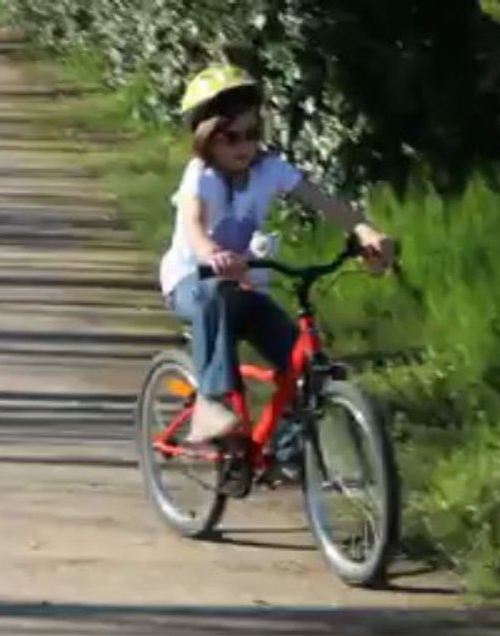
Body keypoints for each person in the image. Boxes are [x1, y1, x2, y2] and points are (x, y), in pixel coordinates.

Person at [160, 63, 394, 444]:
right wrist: (211, 253)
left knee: (310, 370)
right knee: (214, 294)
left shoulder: (268, 169)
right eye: (229, 137)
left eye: (251, 135)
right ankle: (209, 402)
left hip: (244, 285)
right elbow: (193, 222)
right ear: (205, 140)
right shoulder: (200, 174)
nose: (243, 147)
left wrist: (365, 230)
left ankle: (286, 452)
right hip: (193, 281)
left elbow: (322, 201)